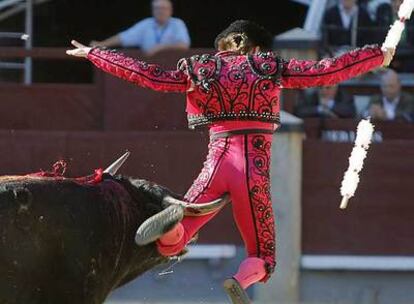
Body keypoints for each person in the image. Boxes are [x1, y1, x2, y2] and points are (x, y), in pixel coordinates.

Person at [67, 20, 394, 304]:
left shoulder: (201, 69)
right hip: (253, 170)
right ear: (247, 44)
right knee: (263, 255)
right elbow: (327, 72)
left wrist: (97, 54)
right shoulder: (268, 67)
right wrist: (378, 55)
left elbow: (149, 76)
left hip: (217, 165)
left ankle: (171, 227)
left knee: (176, 241)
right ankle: (240, 281)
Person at [91, 0, 190, 56]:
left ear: (170, 10)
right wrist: (102, 44)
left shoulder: (177, 24)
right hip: (150, 67)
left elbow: (183, 45)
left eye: (164, 8)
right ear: (152, 10)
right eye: (157, 8)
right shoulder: (146, 24)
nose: (161, 11)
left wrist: (160, 47)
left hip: (173, 68)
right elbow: (123, 38)